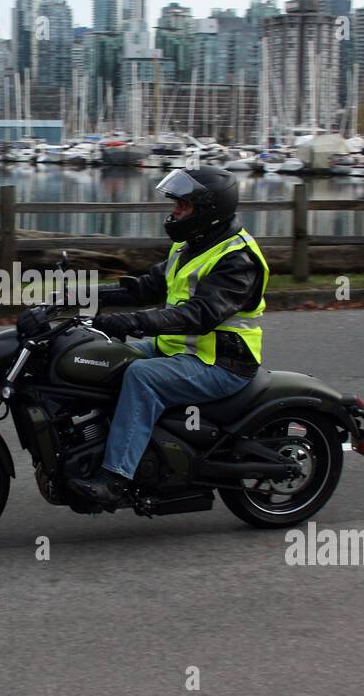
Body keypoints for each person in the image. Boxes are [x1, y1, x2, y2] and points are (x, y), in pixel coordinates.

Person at [71, 165, 270, 505]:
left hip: (223, 362)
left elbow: (200, 314)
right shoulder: (192, 245)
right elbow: (146, 288)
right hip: (180, 349)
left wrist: (131, 322)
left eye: (183, 206)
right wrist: (80, 296)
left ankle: (116, 477)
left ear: (208, 210)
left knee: (141, 377)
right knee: (103, 356)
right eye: (175, 204)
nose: (175, 212)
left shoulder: (237, 259)